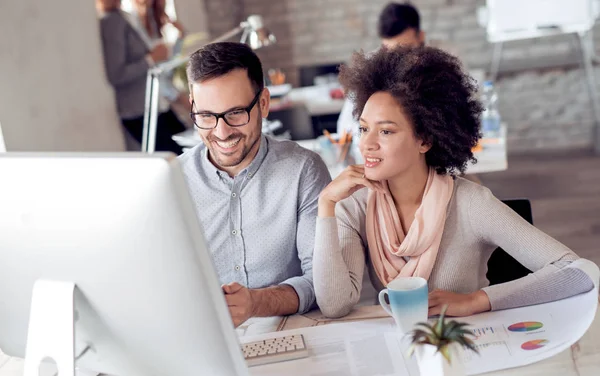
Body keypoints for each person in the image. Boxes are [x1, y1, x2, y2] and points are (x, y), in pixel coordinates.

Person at [314, 45, 596, 318]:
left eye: (386, 132)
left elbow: (578, 271)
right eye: (364, 129)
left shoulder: (470, 203)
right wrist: (326, 205)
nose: (367, 144)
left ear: (424, 139)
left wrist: (477, 301)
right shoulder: (354, 207)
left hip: (474, 345)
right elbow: (334, 305)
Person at [179, 42, 331, 327]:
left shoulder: (303, 170)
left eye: (235, 113)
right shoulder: (174, 182)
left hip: (288, 331)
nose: (222, 133)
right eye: (207, 117)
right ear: (193, 106)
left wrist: (255, 303)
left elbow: (321, 281)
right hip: (204, 338)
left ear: (263, 103)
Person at [96, 0, 185, 154]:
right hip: (140, 110)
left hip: (157, 104)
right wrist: (150, 59)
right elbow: (116, 75)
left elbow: (160, 62)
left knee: (187, 150)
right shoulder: (111, 21)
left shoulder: (125, 16)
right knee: (177, 158)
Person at [337, 2, 424, 137]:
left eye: (407, 49)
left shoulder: (439, 68)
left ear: (421, 37)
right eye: (392, 51)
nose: (400, 57)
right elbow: (345, 127)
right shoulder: (368, 70)